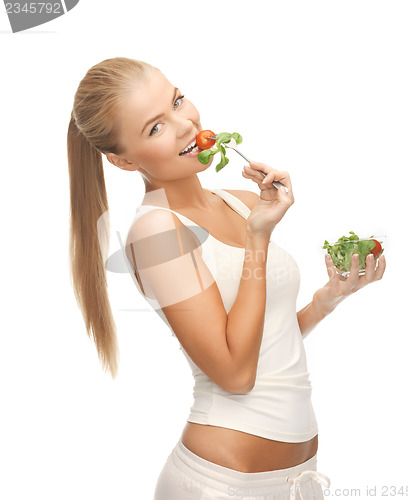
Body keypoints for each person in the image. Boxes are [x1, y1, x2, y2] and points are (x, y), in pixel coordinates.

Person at [67, 57, 386, 500]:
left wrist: (325, 300)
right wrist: (258, 239)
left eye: (177, 101)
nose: (184, 125)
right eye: (155, 128)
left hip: (299, 482)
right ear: (121, 161)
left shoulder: (237, 201)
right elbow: (235, 373)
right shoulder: (157, 231)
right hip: (223, 487)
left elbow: (267, 342)